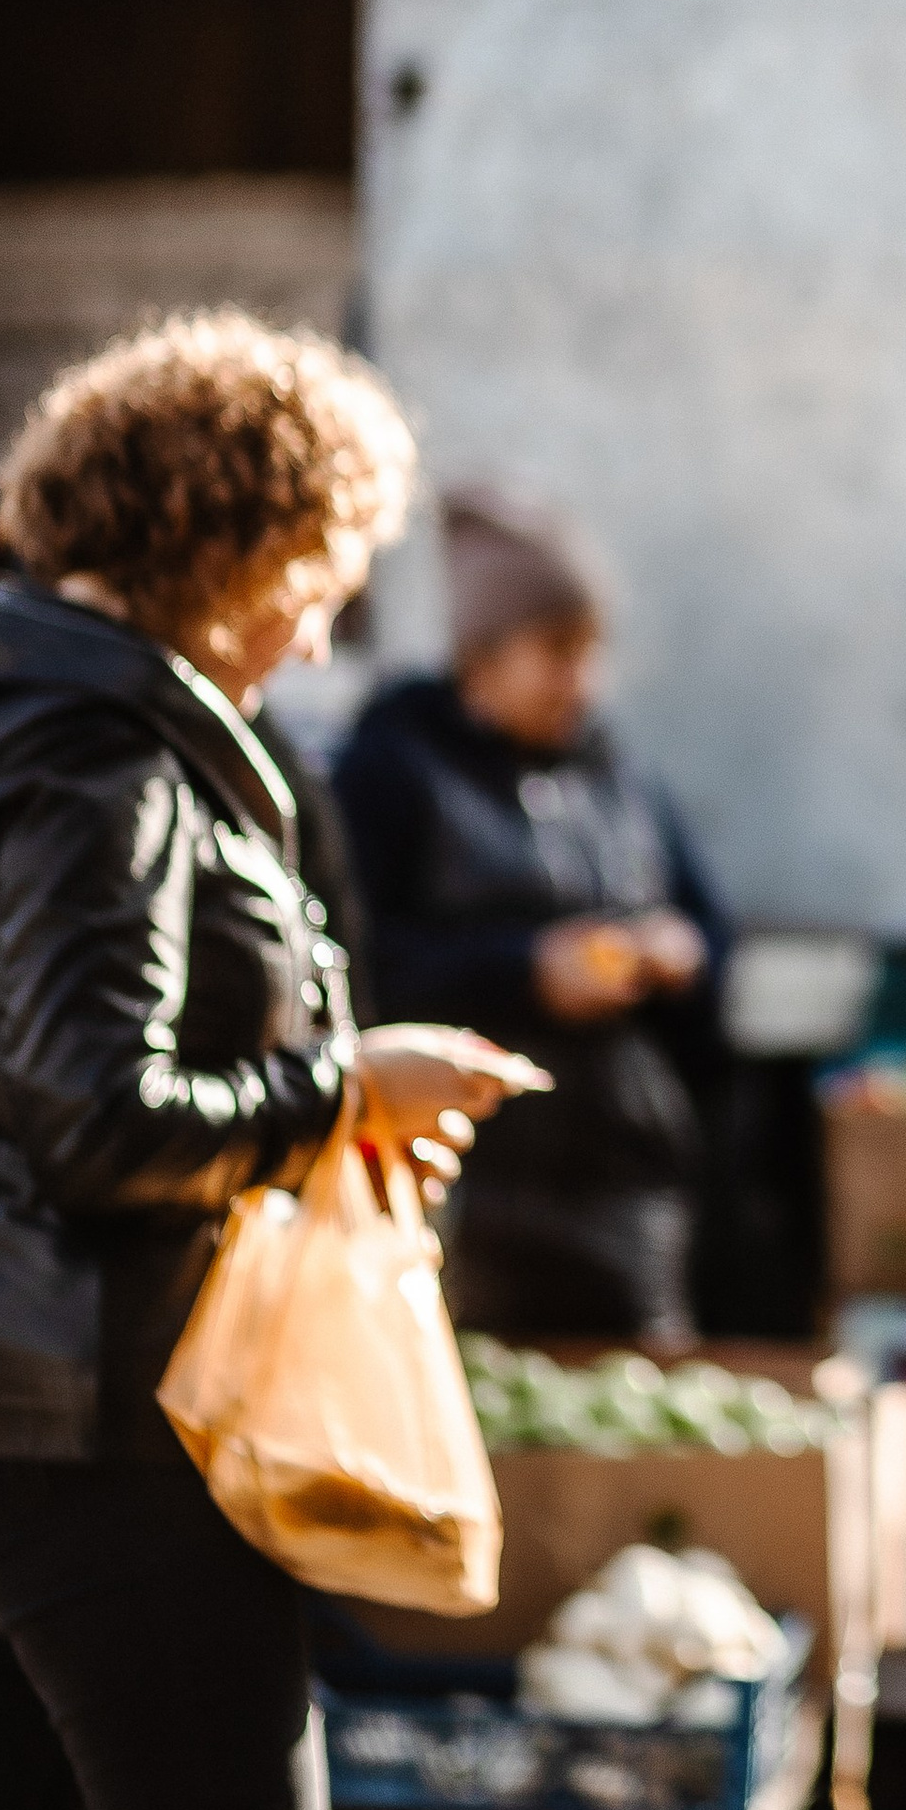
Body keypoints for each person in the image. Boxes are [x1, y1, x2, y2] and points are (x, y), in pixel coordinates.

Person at [0, 313, 524, 1810]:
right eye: (317, 578)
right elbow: (92, 1108)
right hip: (109, 1424)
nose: (318, 632)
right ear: (228, 540)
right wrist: (340, 1090)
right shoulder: (104, 743)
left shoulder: (37, 705)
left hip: (42, 1414)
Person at [333, 493, 732, 1349]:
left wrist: (675, 954)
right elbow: (355, 961)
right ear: (480, 653)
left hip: (622, 1184)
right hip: (469, 1191)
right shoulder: (393, 767)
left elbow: (705, 926)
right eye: (555, 652)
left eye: (591, 654)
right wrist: (524, 970)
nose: (579, 682)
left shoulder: (613, 768)